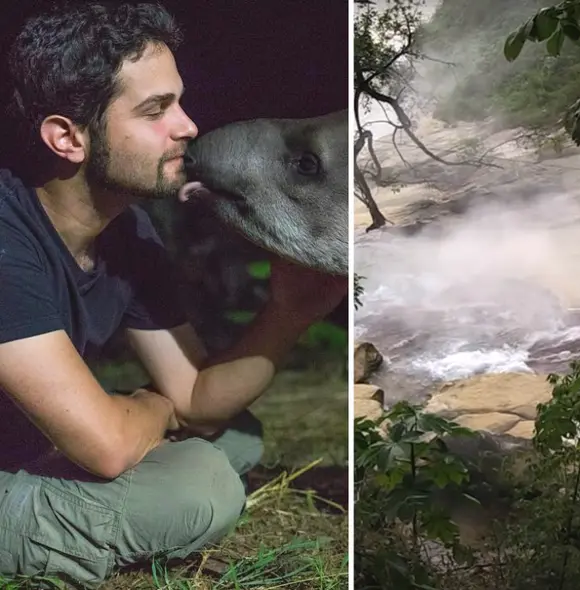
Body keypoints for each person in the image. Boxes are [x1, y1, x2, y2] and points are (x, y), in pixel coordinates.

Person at [0, 2, 346, 585]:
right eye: (156, 110)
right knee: (202, 487)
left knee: (235, 435)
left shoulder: (125, 230)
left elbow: (197, 399)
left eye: (178, 101)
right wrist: (153, 409)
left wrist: (290, 310)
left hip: (26, 439)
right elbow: (116, 444)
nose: (186, 125)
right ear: (67, 137)